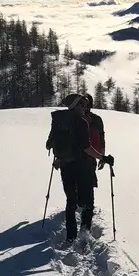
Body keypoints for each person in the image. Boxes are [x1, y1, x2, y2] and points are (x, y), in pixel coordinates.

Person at [46, 94, 115, 243]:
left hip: (65, 165)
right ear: (74, 105)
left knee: (71, 200)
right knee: (88, 201)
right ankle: (84, 233)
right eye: (82, 105)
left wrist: (59, 155)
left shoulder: (58, 119)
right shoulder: (81, 122)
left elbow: (49, 143)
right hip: (83, 165)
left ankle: (71, 236)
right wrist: (103, 158)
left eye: (85, 104)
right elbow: (86, 148)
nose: (85, 107)